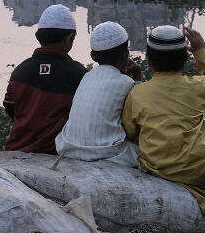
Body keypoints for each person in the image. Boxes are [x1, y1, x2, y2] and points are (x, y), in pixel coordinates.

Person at [121, 25, 205, 214]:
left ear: (148, 60)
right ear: (186, 59)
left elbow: (130, 131)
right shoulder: (198, 86)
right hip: (202, 169)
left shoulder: (137, 93)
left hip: (159, 169)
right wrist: (201, 51)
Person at [2, 4, 87, 154]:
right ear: (70, 37)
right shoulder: (79, 74)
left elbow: (11, 109)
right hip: (55, 154)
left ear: (38, 37)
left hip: (16, 152)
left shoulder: (19, 72)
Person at [55, 21, 142, 166]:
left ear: (93, 56)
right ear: (125, 55)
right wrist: (137, 76)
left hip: (69, 148)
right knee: (144, 154)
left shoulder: (86, 77)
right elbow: (138, 112)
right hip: (106, 152)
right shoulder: (126, 82)